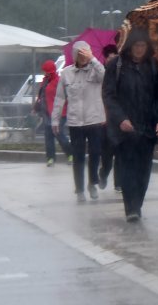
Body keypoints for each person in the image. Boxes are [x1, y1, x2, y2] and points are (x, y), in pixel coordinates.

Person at [102, 30, 158, 222]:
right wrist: (120, 118)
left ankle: (137, 203)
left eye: (143, 46)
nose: (139, 49)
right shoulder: (117, 65)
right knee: (128, 167)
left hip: (147, 127)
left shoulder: (153, 66)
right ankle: (131, 207)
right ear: (130, 46)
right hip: (125, 129)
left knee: (144, 169)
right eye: (136, 45)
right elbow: (108, 95)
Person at [52, 41, 106, 202]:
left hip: (94, 120)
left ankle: (92, 183)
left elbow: (105, 76)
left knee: (96, 152)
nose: (83, 58)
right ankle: (80, 189)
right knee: (78, 156)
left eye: (86, 54)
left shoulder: (96, 70)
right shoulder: (67, 73)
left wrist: (93, 60)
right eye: (80, 55)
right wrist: (55, 120)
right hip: (76, 122)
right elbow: (59, 98)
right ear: (75, 56)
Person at [34, 60, 72, 167]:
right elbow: (41, 96)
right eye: (45, 71)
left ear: (51, 71)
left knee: (59, 134)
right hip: (46, 113)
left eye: (47, 71)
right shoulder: (44, 81)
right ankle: (50, 158)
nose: (45, 73)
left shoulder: (59, 81)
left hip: (59, 113)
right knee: (48, 136)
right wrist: (36, 107)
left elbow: (65, 96)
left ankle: (70, 154)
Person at [98, 44, 121, 192]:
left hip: (119, 118)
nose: (111, 60)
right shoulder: (99, 74)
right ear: (105, 59)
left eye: (114, 57)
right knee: (107, 153)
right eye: (109, 57)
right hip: (104, 119)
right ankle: (103, 173)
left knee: (120, 151)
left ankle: (118, 182)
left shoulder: (122, 73)